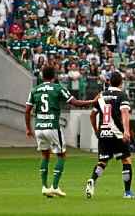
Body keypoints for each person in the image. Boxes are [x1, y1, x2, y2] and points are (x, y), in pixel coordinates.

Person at [25, 65, 97, 197]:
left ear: (42, 76)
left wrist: (29, 129)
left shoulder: (35, 90)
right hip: (52, 126)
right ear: (54, 76)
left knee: (45, 155)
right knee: (61, 155)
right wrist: (92, 101)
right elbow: (74, 102)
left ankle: (44, 187)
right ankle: (55, 187)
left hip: (39, 127)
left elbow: (27, 110)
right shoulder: (57, 88)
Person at [85, 72, 135, 199]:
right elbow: (125, 113)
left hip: (103, 133)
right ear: (121, 82)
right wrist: (126, 131)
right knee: (126, 160)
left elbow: (92, 115)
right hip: (117, 133)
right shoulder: (122, 95)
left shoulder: (101, 96)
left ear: (109, 82)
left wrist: (96, 130)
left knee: (102, 161)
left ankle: (92, 179)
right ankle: (127, 192)